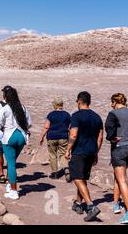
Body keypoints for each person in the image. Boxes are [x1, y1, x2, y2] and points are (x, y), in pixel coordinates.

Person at [65, 91, 103, 222]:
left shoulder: (76, 116)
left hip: (79, 151)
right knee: (82, 178)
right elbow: (100, 137)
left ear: (79, 101)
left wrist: (68, 149)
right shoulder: (97, 117)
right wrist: (96, 152)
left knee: (76, 177)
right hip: (92, 151)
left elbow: (74, 134)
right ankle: (78, 204)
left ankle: (91, 206)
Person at [0, 87, 32, 200]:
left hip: (9, 136)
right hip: (21, 137)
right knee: (13, 162)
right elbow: (29, 123)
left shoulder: (5, 108)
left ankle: (14, 191)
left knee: (11, 164)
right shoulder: (23, 108)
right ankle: (10, 185)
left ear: (6, 97)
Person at [105, 93, 128, 224]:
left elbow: (109, 128)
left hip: (119, 148)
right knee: (117, 178)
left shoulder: (113, 113)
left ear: (114, 101)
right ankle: (116, 204)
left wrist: (111, 138)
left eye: (111, 102)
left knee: (122, 180)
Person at [40, 97, 72, 181]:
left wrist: (42, 136)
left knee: (52, 155)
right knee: (63, 154)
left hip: (52, 137)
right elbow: (70, 127)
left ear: (54, 105)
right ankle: (66, 169)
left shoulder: (51, 114)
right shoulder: (67, 114)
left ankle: (54, 174)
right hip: (63, 137)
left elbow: (46, 127)